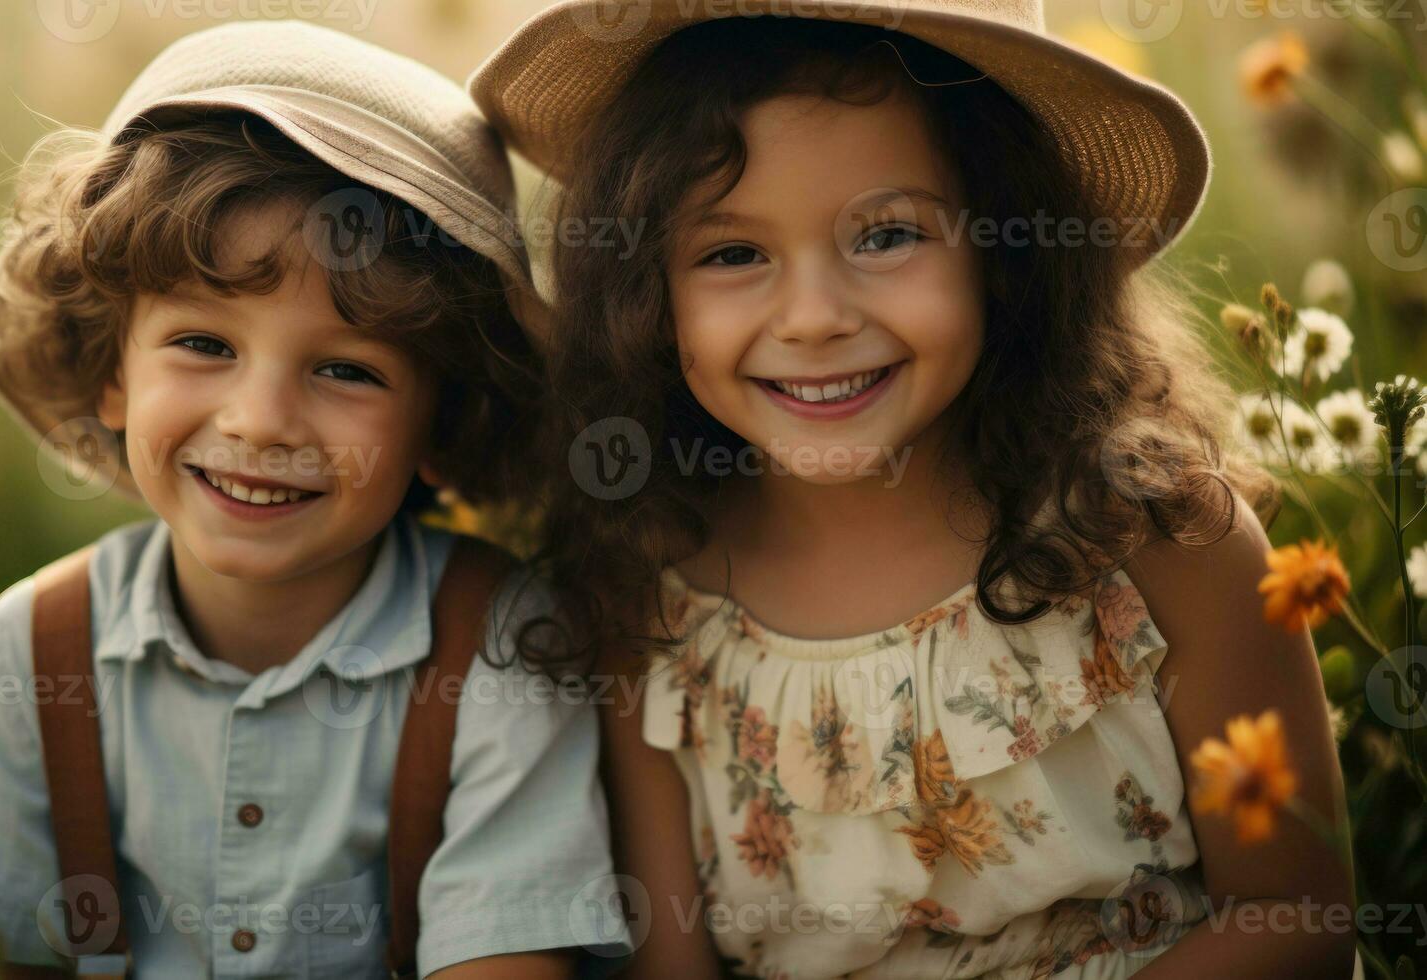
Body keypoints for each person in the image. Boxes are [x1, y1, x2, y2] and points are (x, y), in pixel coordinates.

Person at [471, 3, 1357, 977]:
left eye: (887, 234)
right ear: (646, 290)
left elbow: (1294, 915)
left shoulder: (1157, 537)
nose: (813, 317)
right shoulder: (654, 591)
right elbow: (674, 963)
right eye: (732, 253)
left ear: (1006, 245)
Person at [0, 20, 626, 978]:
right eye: (204, 345)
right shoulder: (29, 651)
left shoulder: (500, 648)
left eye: (345, 369)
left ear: (443, 422)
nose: (260, 422)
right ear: (111, 372)